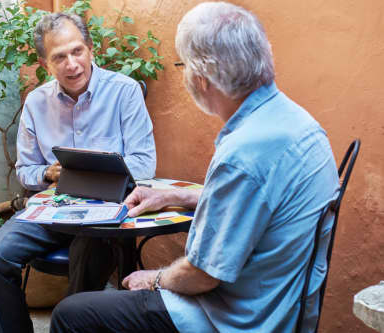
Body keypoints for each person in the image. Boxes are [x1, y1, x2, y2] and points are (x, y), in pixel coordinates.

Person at [49, 2, 340, 332]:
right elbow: (261, 203)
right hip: (282, 307)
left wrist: (155, 277)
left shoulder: (243, 154)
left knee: (71, 314)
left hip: (236, 318)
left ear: (201, 79)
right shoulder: (297, 121)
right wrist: (173, 196)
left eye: (183, 65)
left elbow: (202, 275)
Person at [0, 12, 156, 333]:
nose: (71, 64)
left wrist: (95, 175)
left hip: (105, 214)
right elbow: (26, 171)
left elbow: (143, 164)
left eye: (77, 51)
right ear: (46, 65)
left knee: (85, 263)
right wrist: (50, 174)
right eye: (59, 57)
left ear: (90, 49)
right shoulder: (36, 103)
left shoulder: (124, 92)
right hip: (53, 211)